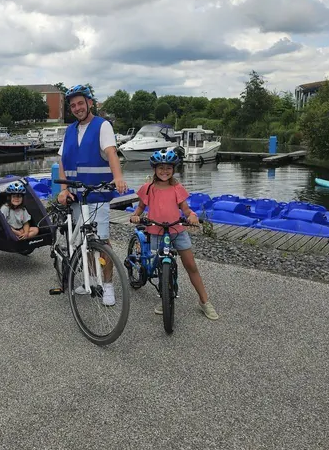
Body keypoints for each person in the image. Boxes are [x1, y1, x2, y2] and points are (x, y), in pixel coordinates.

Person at [56, 84, 128, 306]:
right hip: (77, 197)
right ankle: (91, 280)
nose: (77, 108)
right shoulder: (69, 131)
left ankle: (107, 286)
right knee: (84, 242)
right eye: (73, 105)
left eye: (80, 103)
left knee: (102, 242)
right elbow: (61, 161)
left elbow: (111, 153)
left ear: (90, 103)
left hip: (97, 196)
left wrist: (118, 177)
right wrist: (63, 189)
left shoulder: (102, 126)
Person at [128, 149, 219, 320]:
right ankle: (164, 297)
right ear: (154, 169)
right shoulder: (147, 188)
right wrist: (136, 215)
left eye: (168, 168)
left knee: (191, 266)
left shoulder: (177, 188)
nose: (164, 171)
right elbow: (140, 208)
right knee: (160, 265)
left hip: (177, 230)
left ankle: (204, 301)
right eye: (160, 168)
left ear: (174, 169)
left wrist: (191, 216)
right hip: (156, 230)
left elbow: (185, 209)